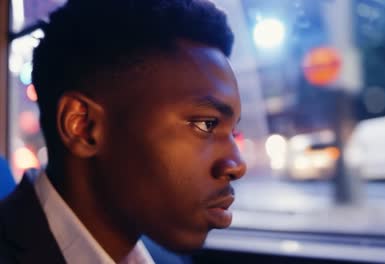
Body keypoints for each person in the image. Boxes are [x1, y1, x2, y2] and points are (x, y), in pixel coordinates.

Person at [0, 0, 246, 262]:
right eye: (206, 124)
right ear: (82, 125)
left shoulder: (166, 258)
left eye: (232, 132)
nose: (237, 165)